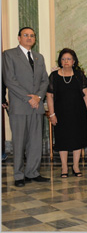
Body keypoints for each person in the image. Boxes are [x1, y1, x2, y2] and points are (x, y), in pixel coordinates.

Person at [2, 27, 50, 187]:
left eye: (32, 36)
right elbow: (9, 80)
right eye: (26, 35)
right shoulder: (8, 55)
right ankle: (18, 175)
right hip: (20, 105)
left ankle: (32, 172)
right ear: (19, 38)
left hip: (36, 106)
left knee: (36, 141)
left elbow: (45, 80)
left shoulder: (39, 57)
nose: (29, 38)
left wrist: (38, 97)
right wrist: (28, 98)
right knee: (19, 141)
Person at [47, 48, 87, 178]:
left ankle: (76, 166)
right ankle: (64, 167)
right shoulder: (54, 76)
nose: (66, 61)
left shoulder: (79, 75)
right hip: (60, 113)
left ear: (73, 61)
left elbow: (86, 94)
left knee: (78, 139)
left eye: (69, 59)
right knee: (62, 140)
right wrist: (52, 114)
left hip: (78, 112)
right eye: (63, 59)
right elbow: (49, 96)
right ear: (60, 61)